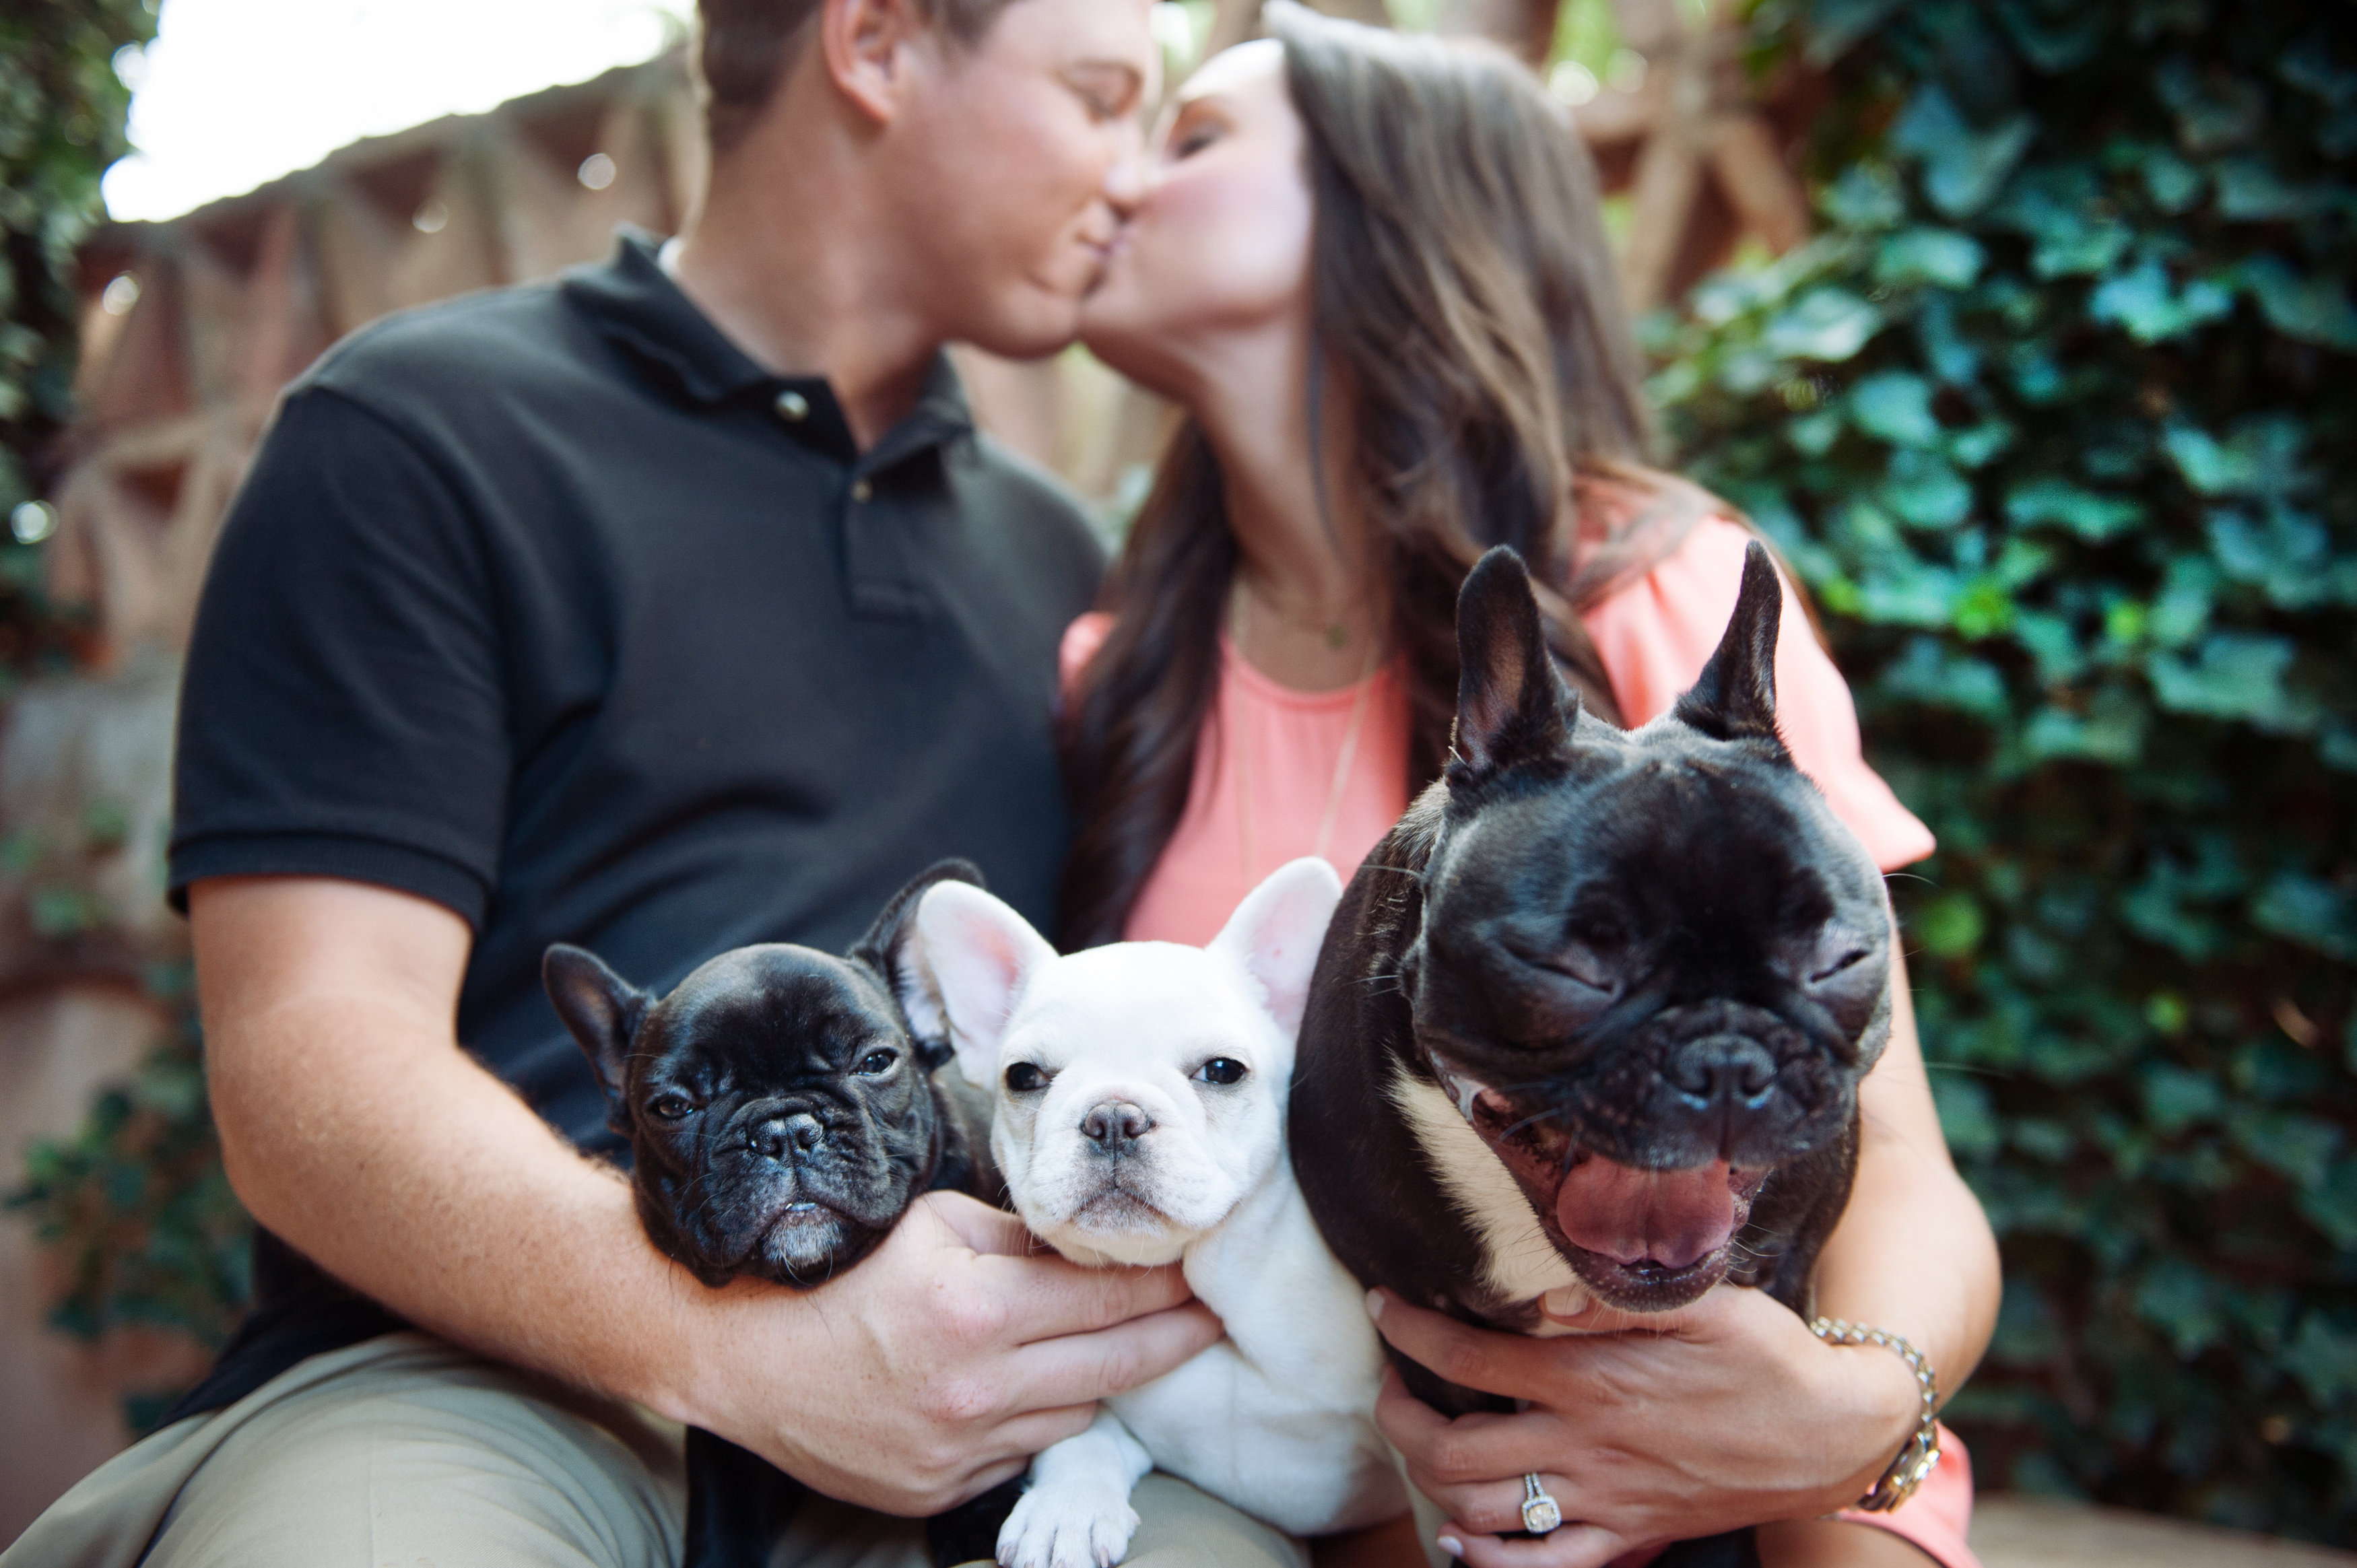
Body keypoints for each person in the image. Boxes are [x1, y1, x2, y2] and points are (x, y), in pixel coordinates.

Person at [1, 3, 1304, 1567]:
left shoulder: (1060, 565)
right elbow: (309, 1058)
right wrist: (731, 1349)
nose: (1133, 174)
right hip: (484, 1372)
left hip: (1002, 1415)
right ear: (878, 43)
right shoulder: (422, 431)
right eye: (1101, 96)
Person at [1057, 8, 2001, 1568]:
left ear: (1392, 211)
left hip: (1768, 1465)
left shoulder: (1660, 587)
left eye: (1191, 137)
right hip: (1330, 1481)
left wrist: (1844, 1421)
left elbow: (1893, 1162)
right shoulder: (1119, 674)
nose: (1116, 175)